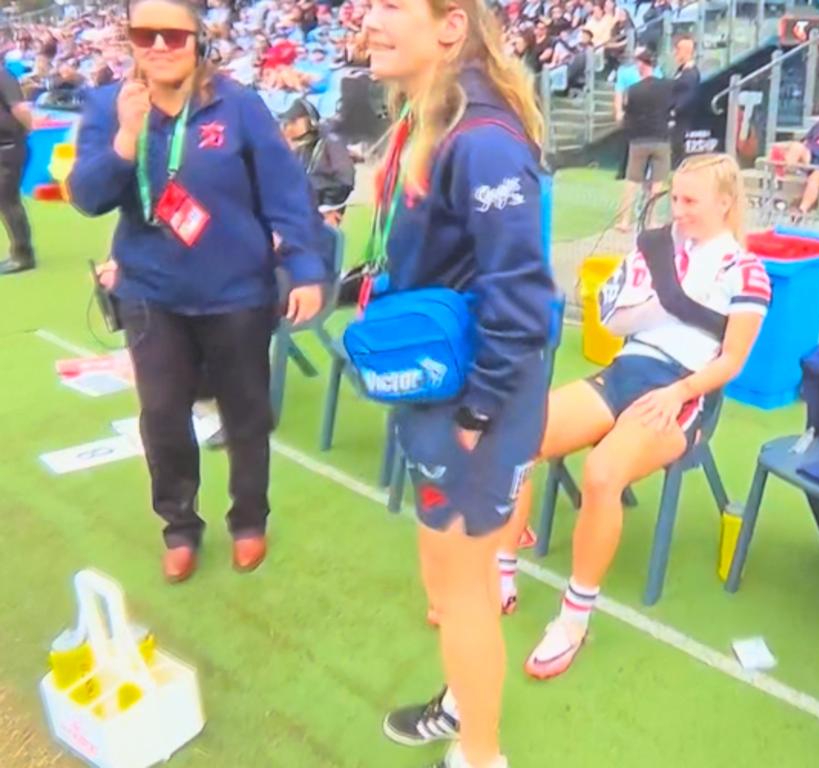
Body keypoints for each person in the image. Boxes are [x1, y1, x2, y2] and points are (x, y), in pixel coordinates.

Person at [68, 0, 326, 583]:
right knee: (162, 415)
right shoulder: (109, 106)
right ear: (129, 38)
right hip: (151, 292)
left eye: (173, 34)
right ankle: (179, 525)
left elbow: (286, 193)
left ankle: (249, 519)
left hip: (237, 291)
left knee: (245, 412)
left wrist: (306, 268)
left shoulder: (239, 106)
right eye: (145, 33)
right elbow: (87, 196)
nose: (159, 45)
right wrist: (127, 138)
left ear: (197, 38)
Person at [363, 0, 553, 765]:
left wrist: (476, 410)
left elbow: (522, 297)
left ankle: (481, 754)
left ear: (450, 26)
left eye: (389, 5)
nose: (368, 19)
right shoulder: (426, 118)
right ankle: (460, 701)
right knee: (442, 576)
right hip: (436, 383)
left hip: (474, 395)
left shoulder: (481, 139)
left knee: (466, 584)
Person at [494, 154, 769, 680]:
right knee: (516, 436)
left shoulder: (747, 272)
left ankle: (574, 619)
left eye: (691, 201)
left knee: (602, 473)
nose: (678, 210)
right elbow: (615, 315)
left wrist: (678, 393)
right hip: (627, 369)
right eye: (676, 198)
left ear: (725, 203)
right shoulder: (659, 247)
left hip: (684, 389)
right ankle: (502, 572)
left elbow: (732, 361)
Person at [617, 46, 673, 231]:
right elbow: (670, 108)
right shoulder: (666, 86)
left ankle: (625, 221)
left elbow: (628, 113)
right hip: (660, 138)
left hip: (639, 139)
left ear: (642, 64)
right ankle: (651, 221)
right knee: (657, 182)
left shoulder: (633, 90)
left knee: (632, 181)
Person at [280, 97, 355, 227]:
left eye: (293, 121)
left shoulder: (331, 142)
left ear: (309, 121)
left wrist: (326, 208)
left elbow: (345, 180)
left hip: (328, 210)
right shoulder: (302, 147)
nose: (288, 127)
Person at [0, 63, 35, 275]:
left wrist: (28, 128)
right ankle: (18, 250)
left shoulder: (3, 76)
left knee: (8, 200)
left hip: (9, 146)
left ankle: (23, 255)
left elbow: (19, 108)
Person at [670, 34, 700, 169]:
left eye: (678, 49)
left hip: (683, 118)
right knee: (675, 147)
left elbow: (688, 96)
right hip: (677, 118)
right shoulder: (681, 71)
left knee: (678, 146)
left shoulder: (691, 74)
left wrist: (673, 110)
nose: (675, 53)